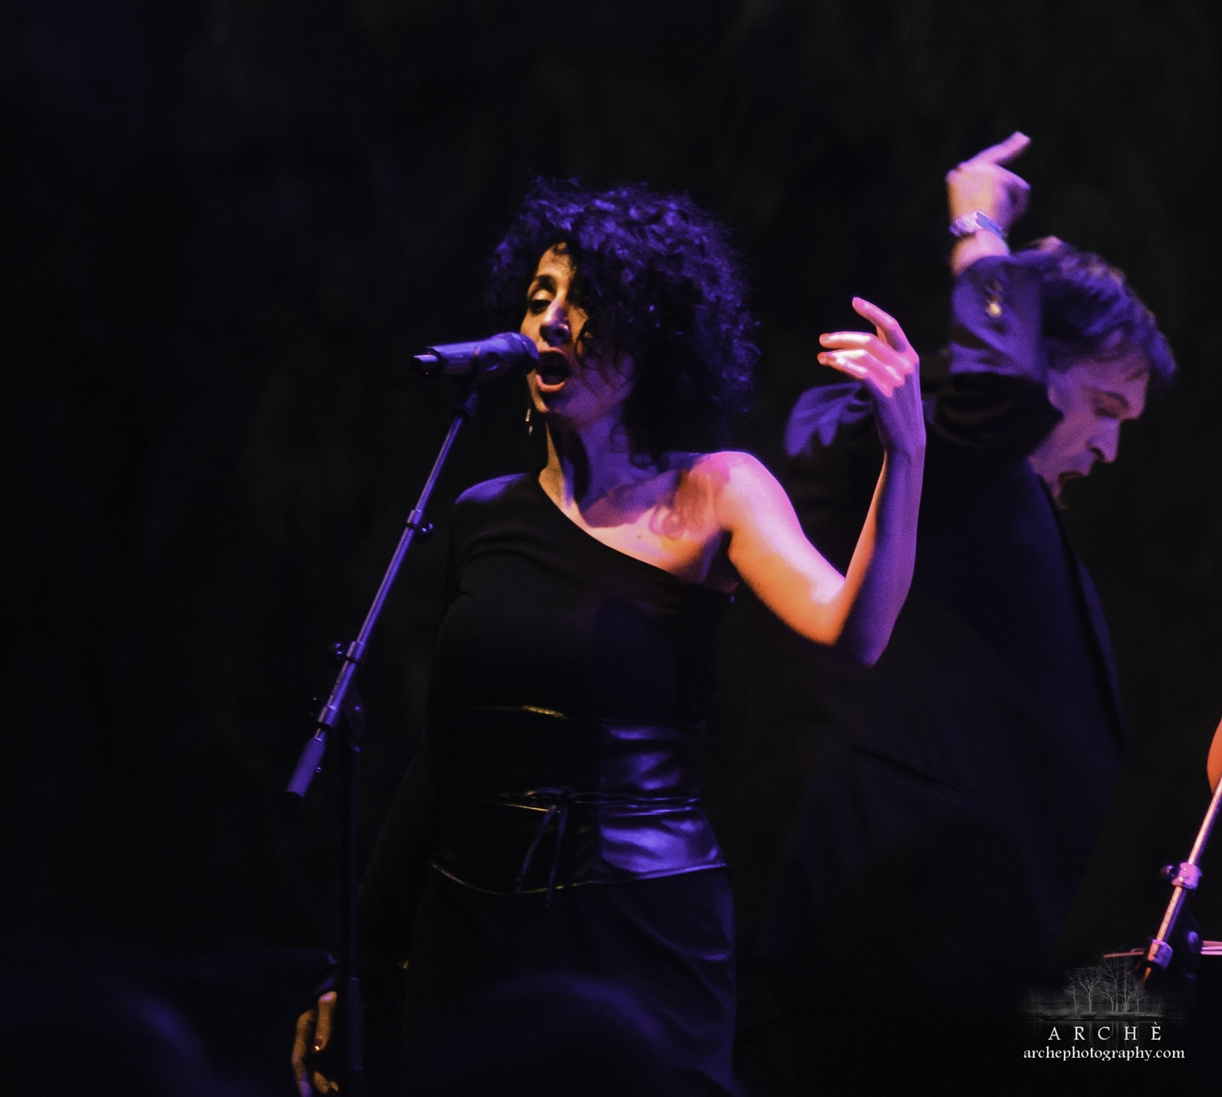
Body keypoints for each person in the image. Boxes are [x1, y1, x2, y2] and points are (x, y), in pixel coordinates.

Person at [292, 178, 926, 1096]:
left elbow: (853, 629)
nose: (552, 320)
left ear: (651, 339)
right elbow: (443, 758)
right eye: (539, 296)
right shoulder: (483, 515)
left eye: (586, 301)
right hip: (472, 934)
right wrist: (352, 962)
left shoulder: (716, 490)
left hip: (638, 928)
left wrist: (905, 453)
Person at [731, 134, 1175, 1087]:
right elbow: (993, 397)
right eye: (1104, 407)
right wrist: (980, 230)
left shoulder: (1003, 497)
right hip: (857, 949)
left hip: (949, 972)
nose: (1107, 449)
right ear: (1033, 357)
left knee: (1157, 1033)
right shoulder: (893, 431)